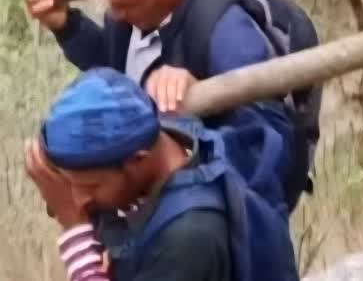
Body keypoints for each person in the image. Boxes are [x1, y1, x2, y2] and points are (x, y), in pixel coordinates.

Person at [24, 0, 297, 201]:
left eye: (125, 6)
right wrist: (67, 26)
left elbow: (269, 147)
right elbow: (118, 67)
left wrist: (203, 97)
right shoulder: (132, 12)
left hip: (209, 205)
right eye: (112, 4)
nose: (115, 14)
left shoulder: (229, 35)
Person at [25, 68, 299, 281]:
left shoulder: (187, 238)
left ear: (137, 159)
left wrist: (75, 228)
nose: (79, 200)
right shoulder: (175, 139)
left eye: (91, 186)